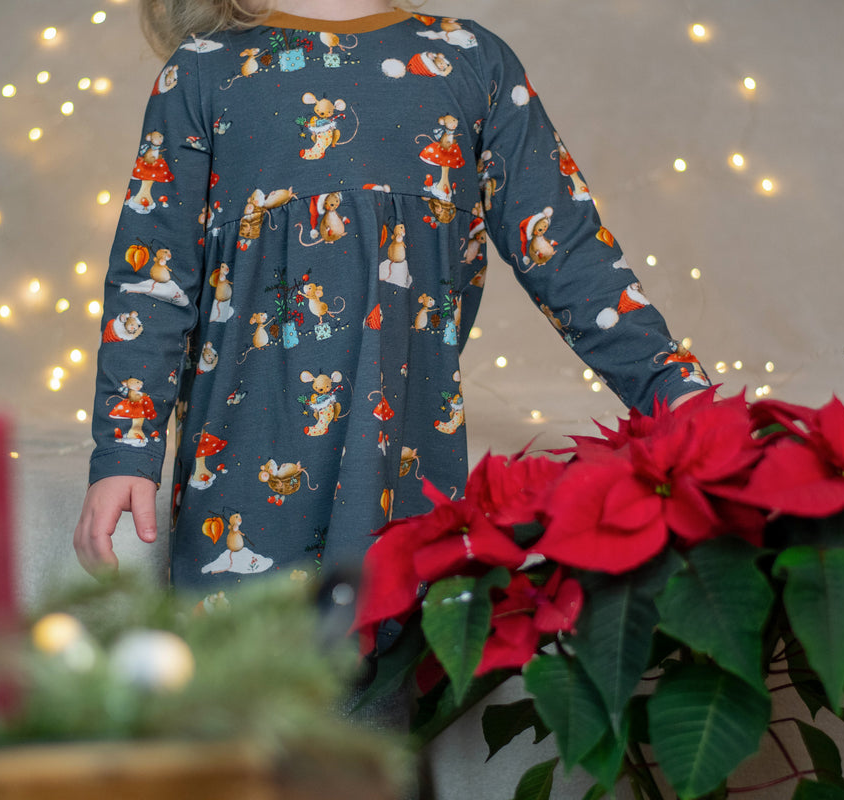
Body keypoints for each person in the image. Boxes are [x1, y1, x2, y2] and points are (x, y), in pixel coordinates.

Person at [73, 0, 710, 588]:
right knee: (246, 668)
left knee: (400, 656)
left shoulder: (470, 60)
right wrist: (126, 449)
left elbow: (568, 251)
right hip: (240, 473)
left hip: (408, 465)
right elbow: (152, 282)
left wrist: (673, 389)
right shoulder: (201, 72)